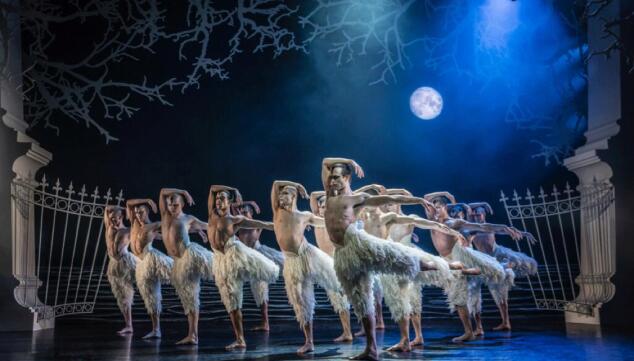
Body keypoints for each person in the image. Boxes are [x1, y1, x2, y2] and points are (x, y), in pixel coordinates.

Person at [321, 158, 461, 360]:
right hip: (343, 255)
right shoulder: (328, 196)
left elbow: (392, 200)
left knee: (401, 258)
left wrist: (418, 201)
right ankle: (371, 349)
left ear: (347, 178)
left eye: (336, 177)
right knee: (361, 301)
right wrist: (348, 160)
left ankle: (442, 265)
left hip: (359, 245)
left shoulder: (355, 199)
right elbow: (325, 161)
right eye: (331, 177)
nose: (332, 181)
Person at [272, 181, 353, 355]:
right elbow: (276, 184)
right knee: (301, 301)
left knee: (337, 282)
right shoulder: (277, 212)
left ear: (293, 197)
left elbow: (324, 222)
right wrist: (298, 185)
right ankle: (309, 341)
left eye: (285, 194)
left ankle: (353, 321)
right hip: (292, 262)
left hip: (308, 254)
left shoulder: (304, 216)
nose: (281, 197)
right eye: (280, 195)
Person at [207, 185, 279, 350]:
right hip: (219, 260)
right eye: (217, 199)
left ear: (229, 201)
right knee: (231, 301)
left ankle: (242, 338)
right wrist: (232, 189)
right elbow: (212, 189)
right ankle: (240, 339)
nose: (218, 201)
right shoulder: (211, 214)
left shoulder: (235, 220)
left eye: (222, 198)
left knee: (236, 294)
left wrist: (282, 226)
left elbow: (262, 223)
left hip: (233, 255)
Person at [468, 202, 538, 331]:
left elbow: (507, 230)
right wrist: (483, 203)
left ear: (484, 215)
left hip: (497, 255)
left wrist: (525, 234)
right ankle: (479, 326)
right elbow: (466, 206)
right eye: (475, 214)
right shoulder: (471, 227)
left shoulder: (490, 227)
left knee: (501, 290)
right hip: (483, 260)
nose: (477, 217)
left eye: (479, 214)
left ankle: (506, 322)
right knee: (477, 290)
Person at [159, 188, 212, 345]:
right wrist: (183, 191)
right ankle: (192, 335)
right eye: (170, 204)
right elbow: (162, 191)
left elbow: (206, 226)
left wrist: (225, 230)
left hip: (189, 257)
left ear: (182, 204)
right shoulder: (165, 216)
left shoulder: (188, 218)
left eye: (175, 203)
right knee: (188, 298)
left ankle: (193, 335)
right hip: (177, 263)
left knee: (193, 295)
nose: (172, 206)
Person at [126, 198, 173, 339]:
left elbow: (172, 228)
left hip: (151, 258)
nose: (138, 215)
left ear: (146, 212)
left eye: (141, 212)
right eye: (137, 213)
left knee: (177, 274)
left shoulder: (153, 225)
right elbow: (129, 203)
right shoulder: (134, 223)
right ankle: (156, 329)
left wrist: (199, 231)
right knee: (150, 297)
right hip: (140, 264)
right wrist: (146, 200)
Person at [235, 200, 284, 332]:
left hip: (260, 254)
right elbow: (232, 206)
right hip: (246, 257)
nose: (242, 213)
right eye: (241, 211)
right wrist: (250, 202)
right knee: (258, 289)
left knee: (286, 262)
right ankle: (265, 323)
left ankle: (265, 322)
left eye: (245, 212)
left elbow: (272, 225)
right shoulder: (238, 224)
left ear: (251, 213)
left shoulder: (256, 224)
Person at [104, 205, 135, 335]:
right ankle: (128, 325)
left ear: (121, 217)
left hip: (125, 262)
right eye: (111, 219)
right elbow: (106, 208)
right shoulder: (109, 227)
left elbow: (146, 232)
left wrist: (126, 210)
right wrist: (121, 207)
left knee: (128, 293)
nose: (113, 221)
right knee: (121, 296)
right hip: (113, 265)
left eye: (115, 219)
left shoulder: (128, 230)